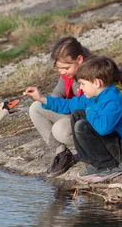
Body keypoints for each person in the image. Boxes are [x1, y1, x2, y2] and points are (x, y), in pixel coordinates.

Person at [23, 56, 122, 183]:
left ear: (96, 83)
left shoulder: (112, 99)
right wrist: (42, 99)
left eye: (82, 84)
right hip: (119, 148)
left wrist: (90, 109)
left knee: (83, 126)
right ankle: (95, 163)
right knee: (77, 114)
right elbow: (68, 105)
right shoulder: (95, 96)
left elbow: (103, 128)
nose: (81, 88)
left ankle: (110, 166)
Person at [29, 36, 93, 177]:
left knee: (60, 130)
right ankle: (63, 155)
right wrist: (45, 100)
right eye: (59, 68)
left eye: (65, 68)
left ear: (79, 60)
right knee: (36, 107)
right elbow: (58, 94)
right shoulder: (70, 73)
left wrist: (53, 104)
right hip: (77, 113)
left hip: (93, 119)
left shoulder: (94, 74)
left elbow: (81, 106)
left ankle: (94, 151)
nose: (62, 72)